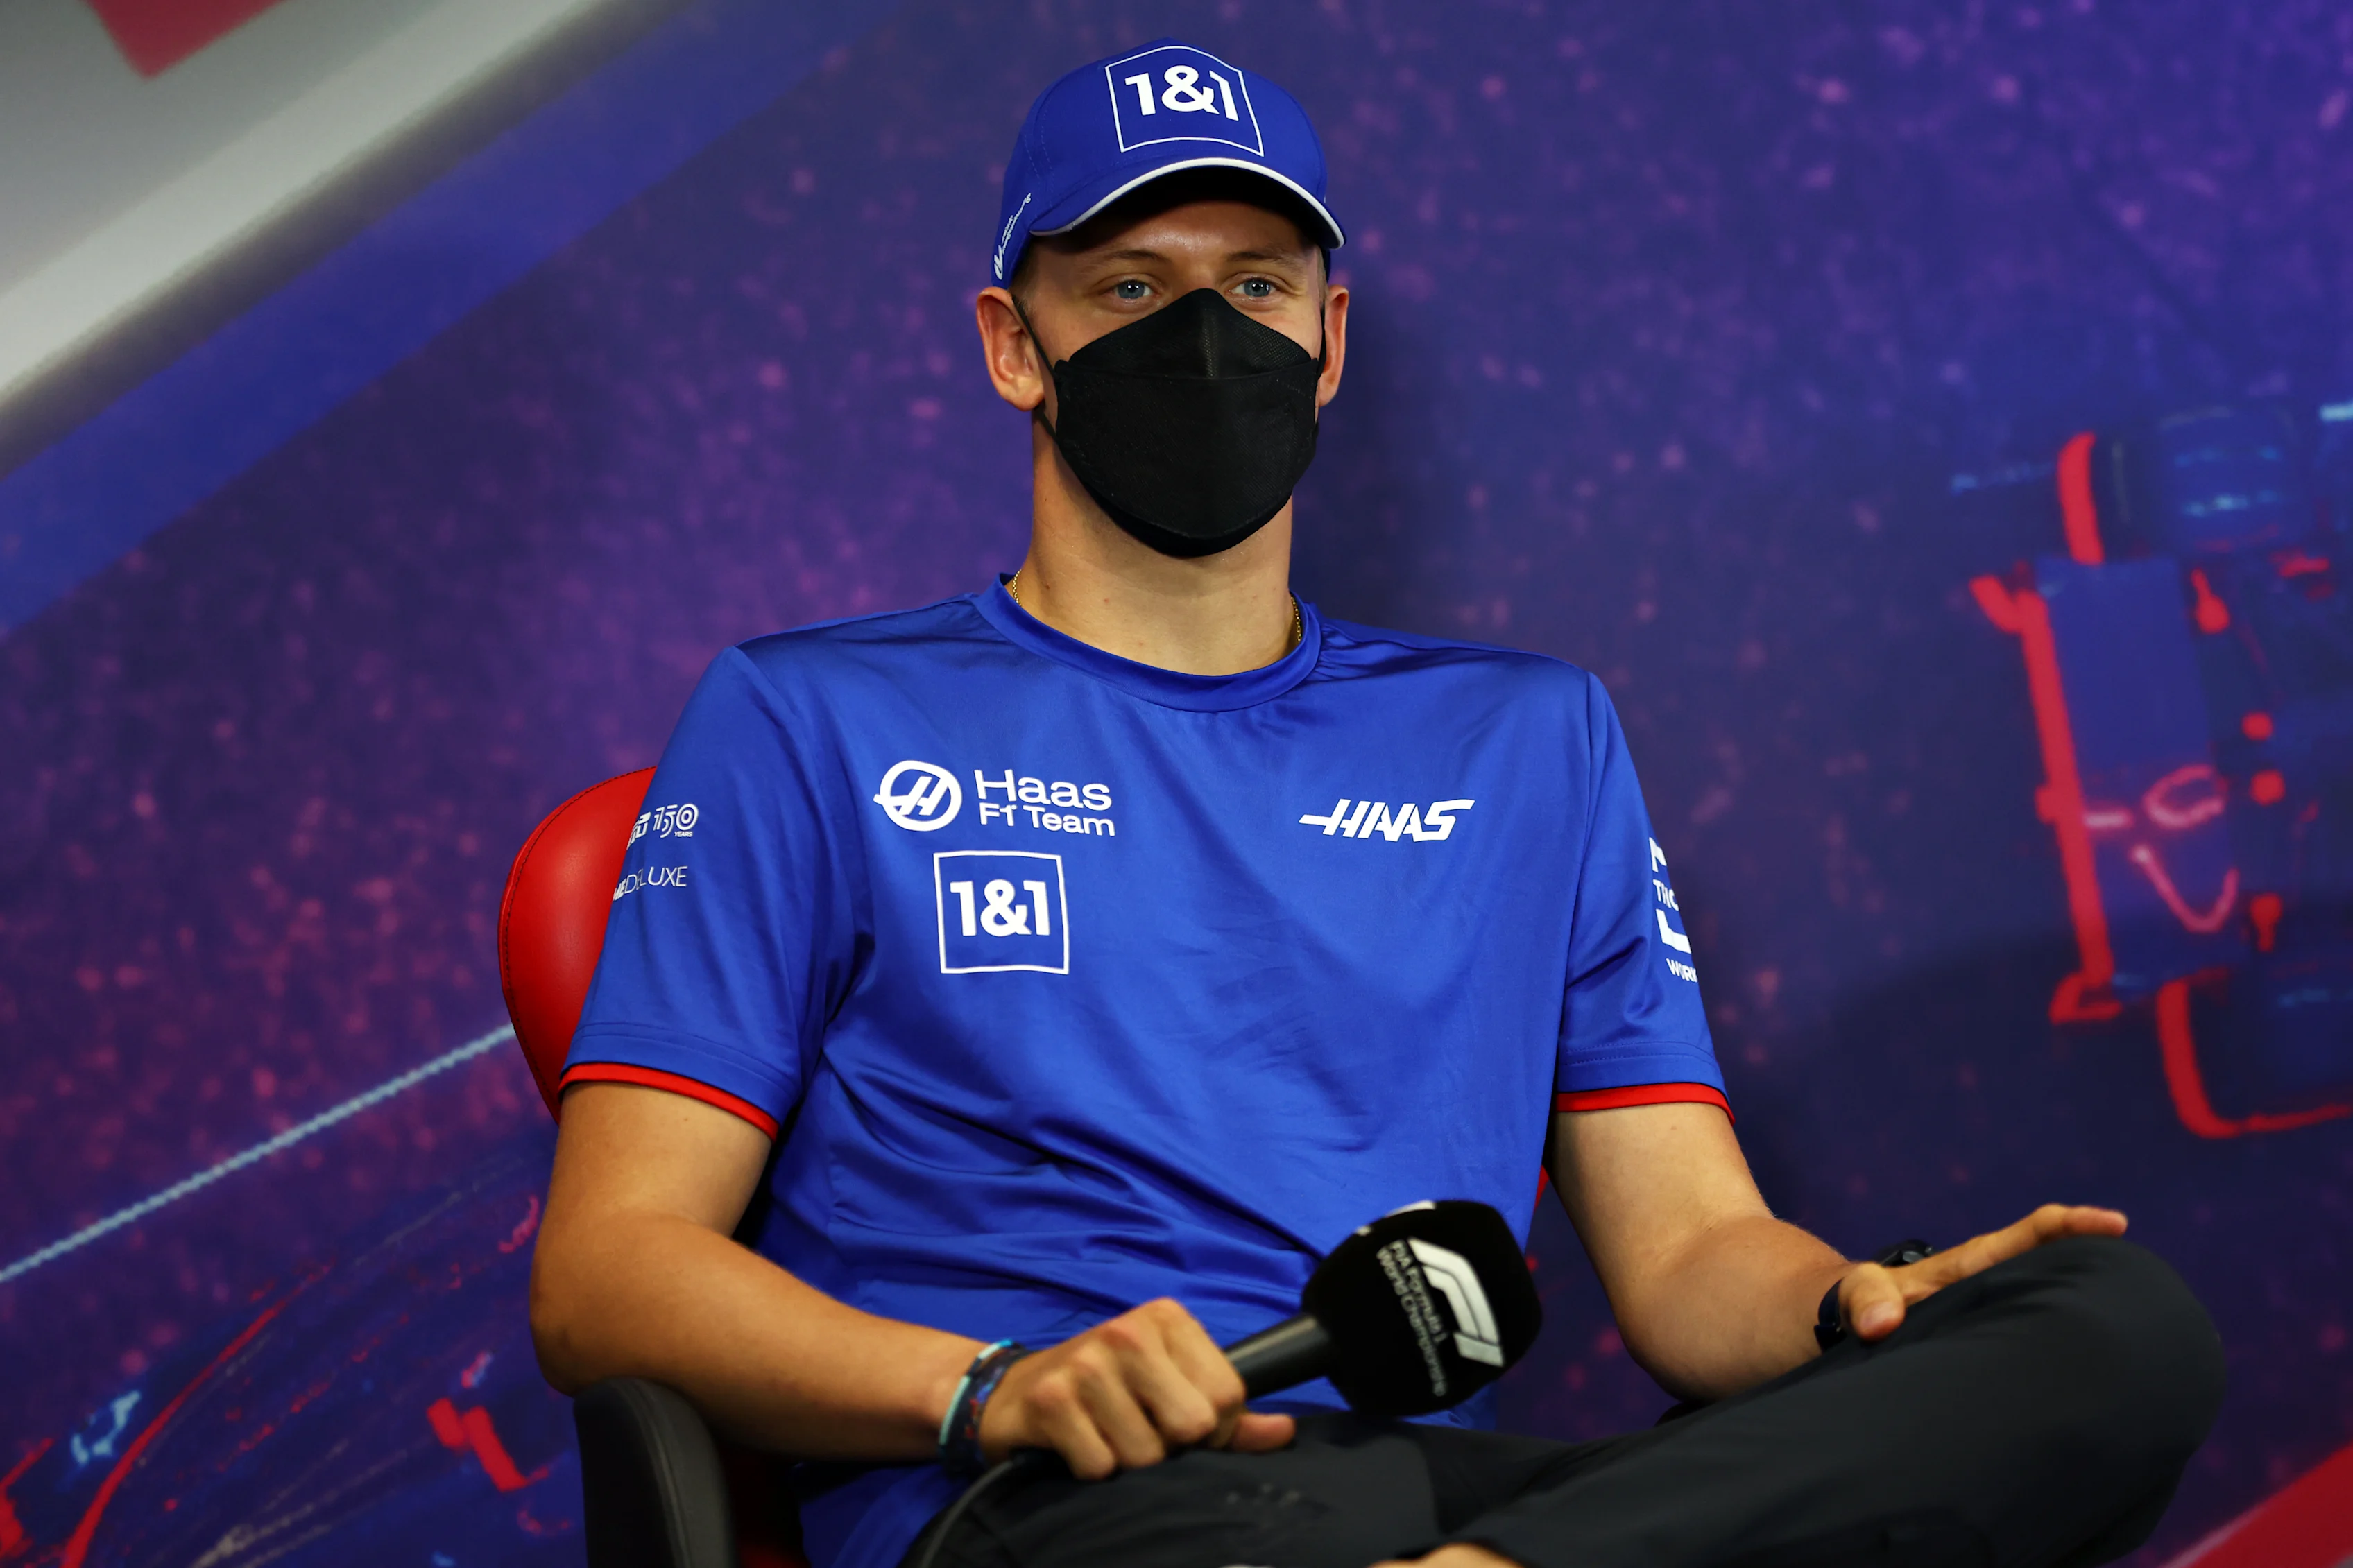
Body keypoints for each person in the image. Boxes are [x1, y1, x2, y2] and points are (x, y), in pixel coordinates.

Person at [529, 39, 2223, 1568]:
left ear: (1328, 341)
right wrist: (993, 1385)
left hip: (1447, 1500)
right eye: (1128, 286)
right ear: (1011, 344)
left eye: (1255, 285)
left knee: (2106, 1323)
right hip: (1070, 1512)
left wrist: (1850, 1308)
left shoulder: (1529, 736)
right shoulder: (807, 715)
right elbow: (605, 1274)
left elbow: (1694, 1251)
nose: (1202, 337)